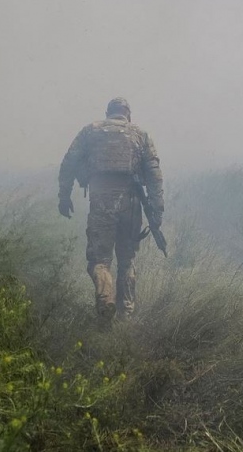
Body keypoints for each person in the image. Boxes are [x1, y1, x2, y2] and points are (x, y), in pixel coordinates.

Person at [58, 97, 164, 325]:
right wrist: (157, 210)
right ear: (128, 114)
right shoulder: (141, 134)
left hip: (102, 200)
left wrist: (64, 196)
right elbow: (154, 173)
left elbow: (69, 162)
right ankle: (126, 316)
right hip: (132, 202)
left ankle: (106, 300)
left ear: (108, 113)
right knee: (127, 259)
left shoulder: (91, 131)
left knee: (100, 260)